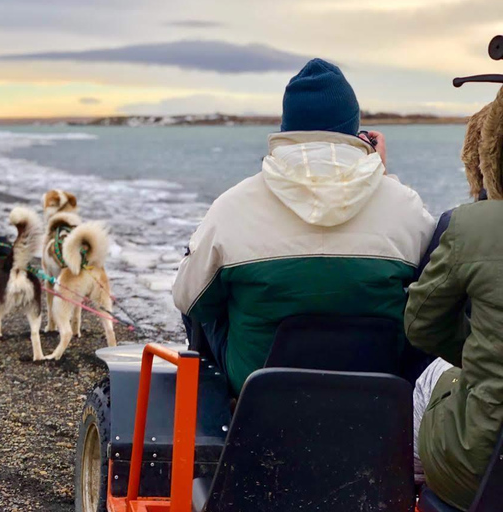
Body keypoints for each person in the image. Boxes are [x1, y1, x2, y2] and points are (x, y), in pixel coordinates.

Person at [172, 58, 435, 394]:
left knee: (202, 291)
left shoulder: (233, 206)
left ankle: (222, 408)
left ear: (287, 129)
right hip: (376, 388)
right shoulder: (405, 206)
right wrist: (381, 177)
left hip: (261, 392)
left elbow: (187, 299)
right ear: (356, 132)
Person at [406, 88, 503, 510]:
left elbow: (421, 324)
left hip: (478, 470)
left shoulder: (469, 225)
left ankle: (411, 487)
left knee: (429, 378)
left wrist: (479, 353)